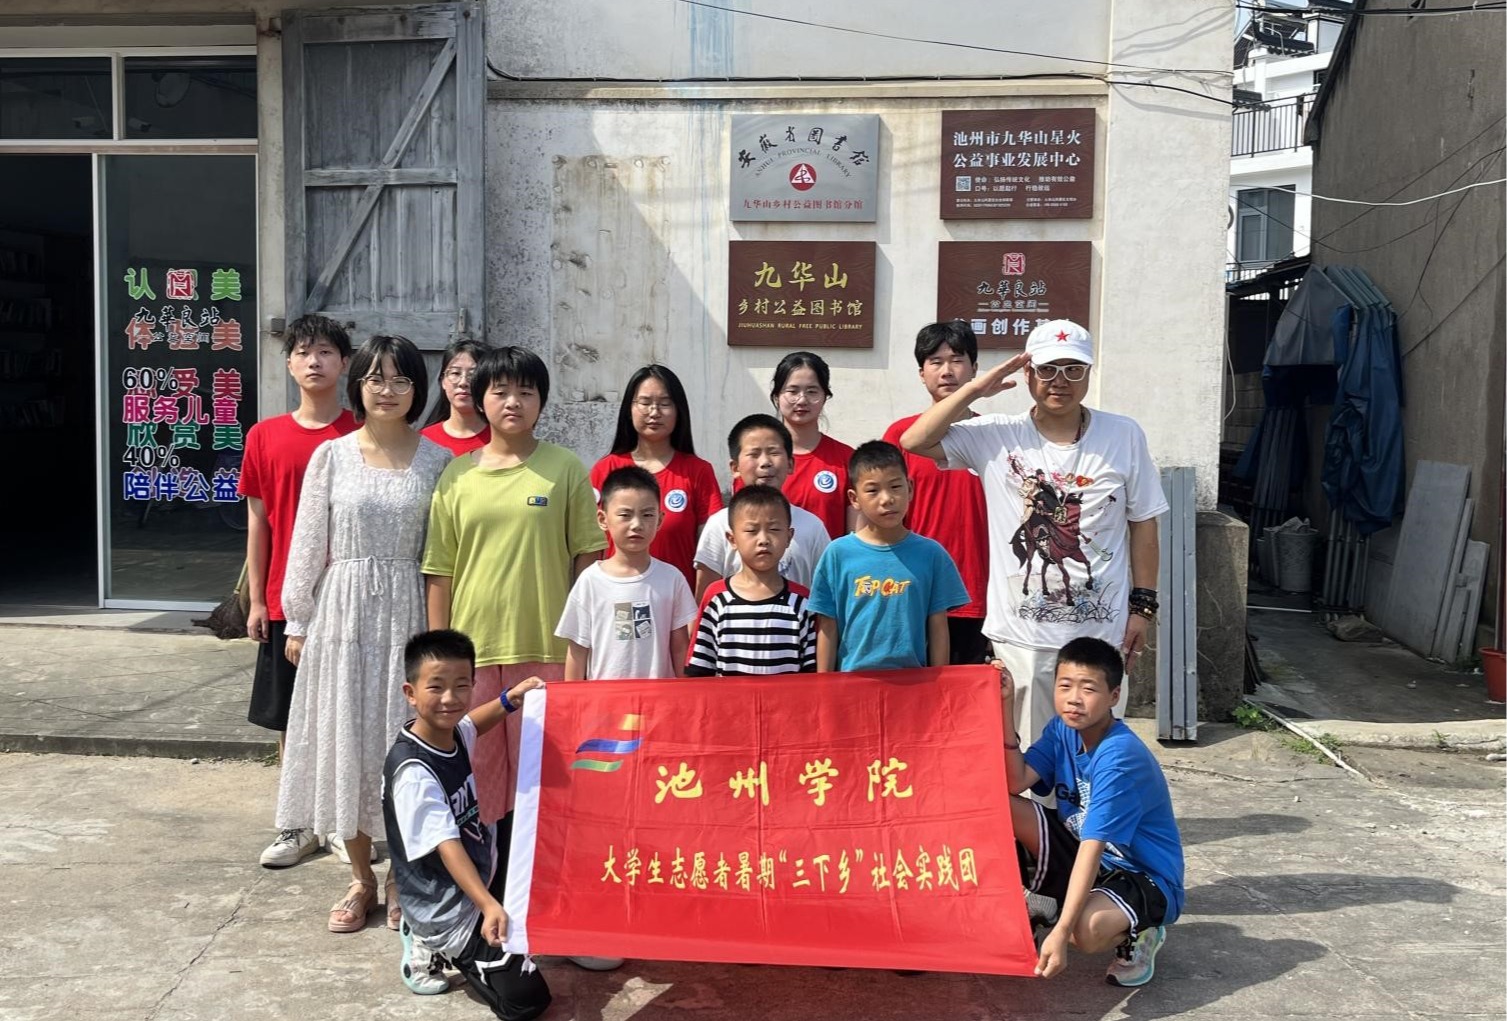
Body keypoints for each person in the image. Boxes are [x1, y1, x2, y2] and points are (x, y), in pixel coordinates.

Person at [900, 319, 1168, 745]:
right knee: (1028, 754)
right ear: (1027, 373)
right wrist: (974, 389)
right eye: (1047, 369)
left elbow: (1144, 523)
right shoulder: (996, 434)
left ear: (1089, 372)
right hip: (1022, 638)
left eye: (1073, 369)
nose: (1060, 381)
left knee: (1097, 751)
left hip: (1101, 632)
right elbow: (914, 440)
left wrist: (1143, 607)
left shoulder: (1123, 434)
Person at [275, 334, 452, 933]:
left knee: (402, 748)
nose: (387, 390)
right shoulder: (332, 456)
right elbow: (307, 541)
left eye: (401, 379)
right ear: (358, 385)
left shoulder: (437, 461)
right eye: (376, 378)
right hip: (342, 614)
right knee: (346, 742)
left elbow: (445, 552)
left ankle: (402, 876)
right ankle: (359, 877)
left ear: (417, 390)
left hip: (408, 613)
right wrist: (298, 620)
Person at [423, 346, 606, 830]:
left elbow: (588, 558)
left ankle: (540, 872)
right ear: (480, 398)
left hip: (546, 646)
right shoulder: (457, 475)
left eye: (526, 392)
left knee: (546, 775)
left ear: (541, 401)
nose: (513, 402)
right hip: (474, 650)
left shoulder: (564, 468)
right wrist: (440, 651)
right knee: (475, 775)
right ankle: (481, 869)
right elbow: (440, 569)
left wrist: (582, 641)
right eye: (500, 391)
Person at [383, 629, 552, 1018]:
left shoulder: (449, 733)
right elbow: (448, 846)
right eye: (436, 687)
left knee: (529, 841)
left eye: (461, 685)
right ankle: (429, 940)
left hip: (477, 871)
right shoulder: (414, 772)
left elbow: (473, 724)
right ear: (410, 692)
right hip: (445, 905)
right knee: (526, 1000)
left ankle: (479, 925)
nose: (450, 698)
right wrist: (488, 905)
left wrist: (510, 699)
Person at [239, 313, 356, 869]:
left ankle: (345, 822)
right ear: (288, 364)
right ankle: (297, 822)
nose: (315, 361)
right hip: (289, 598)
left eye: (326, 351)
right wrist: (259, 599)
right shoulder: (264, 436)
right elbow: (257, 522)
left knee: (345, 711)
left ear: (345, 364)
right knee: (290, 716)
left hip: (349, 598)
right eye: (304, 352)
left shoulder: (360, 434)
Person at [999, 636, 1184, 987]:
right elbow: (1015, 781)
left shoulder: (1119, 756)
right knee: (999, 805)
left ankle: (1144, 930)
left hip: (1142, 874)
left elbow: (1093, 845)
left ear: (1114, 696)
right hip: (1093, 857)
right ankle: (1044, 900)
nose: (1074, 699)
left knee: (1083, 931)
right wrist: (1005, 706)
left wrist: (1061, 932)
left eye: (1088, 689)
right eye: (1065, 685)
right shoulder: (1062, 729)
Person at [882, 321, 991, 665]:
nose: (947, 371)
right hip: (912, 588)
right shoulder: (901, 435)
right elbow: (880, 515)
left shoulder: (994, 434)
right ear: (921, 373)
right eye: (936, 362)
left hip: (977, 591)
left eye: (957, 360)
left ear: (974, 368)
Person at [807, 441, 969, 672]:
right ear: (854, 498)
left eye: (895, 487)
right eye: (872, 490)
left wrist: (940, 682)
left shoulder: (932, 554)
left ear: (910, 488)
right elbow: (827, 625)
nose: (887, 499)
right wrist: (824, 683)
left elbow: (938, 625)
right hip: (853, 681)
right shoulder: (838, 554)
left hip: (913, 681)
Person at [557, 465, 699, 683]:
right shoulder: (590, 581)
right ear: (603, 519)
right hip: (606, 699)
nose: (637, 525)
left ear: (660, 519)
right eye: (625, 515)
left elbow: (680, 647)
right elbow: (577, 651)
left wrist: (686, 693)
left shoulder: (672, 578)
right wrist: (572, 700)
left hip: (659, 698)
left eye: (647, 515)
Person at [590, 365, 722, 589]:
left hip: (677, 601)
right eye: (645, 402)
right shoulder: (605, 469)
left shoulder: (698, 471)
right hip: (617, 596)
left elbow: (710, 551)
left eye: (665, 403)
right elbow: (592, 545)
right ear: (629, 408)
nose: (654, 412)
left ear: (679, 410)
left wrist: (699, 605)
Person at [693, 414, 831, 601]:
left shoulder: (812, 526)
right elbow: (705, 599)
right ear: (735, 467)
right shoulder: (719, 524)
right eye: (754, 454)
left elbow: (825, 595)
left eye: (774, 452)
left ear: (790, 464)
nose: (765, 462)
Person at [686, 484, 818, 677]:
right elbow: (700, 670)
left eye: (774, 529)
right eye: (751, 530)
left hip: (788, 698)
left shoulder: (802, 602)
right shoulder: (716, 599)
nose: (763, 539)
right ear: (732, 539)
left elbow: (811, 672)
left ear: (789, 537)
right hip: (728, 698)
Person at [766, 351, 854, 539]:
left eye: (812, 391)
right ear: (776, 396)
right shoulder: (759, 460)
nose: (802, 400)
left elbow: (855, 537)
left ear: (825, 396)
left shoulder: (846, 459)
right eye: (792, 391)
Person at [421, 338, 493, 456]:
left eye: (473, 374)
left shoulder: (501, 439)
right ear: (443, 381)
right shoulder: (424, 440)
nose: (463, 382)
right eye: (455, 373)